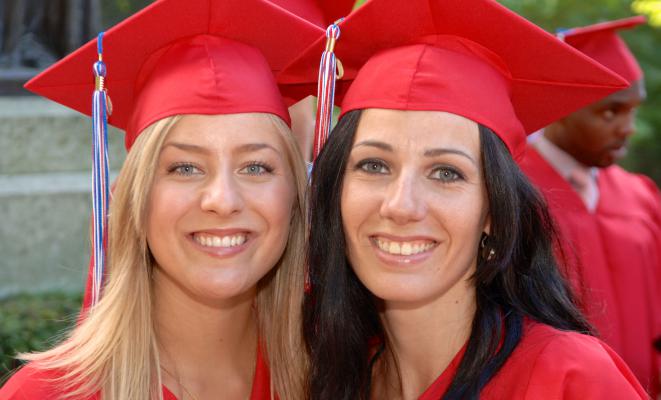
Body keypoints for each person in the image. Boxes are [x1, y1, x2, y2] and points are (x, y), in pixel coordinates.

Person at [287, 0, 650, 398]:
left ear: (493, 211)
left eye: (446, 173)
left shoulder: (569, 379)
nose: (400, 205)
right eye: (374, 165)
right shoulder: (319, 374)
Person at [0, 0, 333, 398]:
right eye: (185, 168)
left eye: (256, 167)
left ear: (297, 196)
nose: (223, 200)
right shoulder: (49, 395)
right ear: (132, 198)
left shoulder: (342, 375)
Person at [520, 16, 661, 396]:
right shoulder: (513, 189)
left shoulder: (640, 195)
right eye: (610, 111)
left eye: (633, 109)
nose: (628, 127)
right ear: (562, 106)